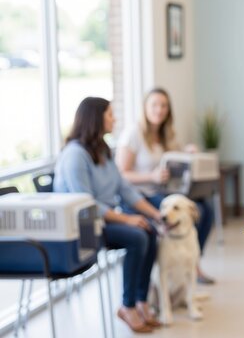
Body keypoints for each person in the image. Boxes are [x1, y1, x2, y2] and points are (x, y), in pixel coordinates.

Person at [54, 97, 163, 333]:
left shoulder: (102, 149)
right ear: (96, 118)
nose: (114, 119)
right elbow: (86, 204)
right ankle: (128, 306)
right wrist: (127, 218)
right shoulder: (75, 155)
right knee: (138, 237)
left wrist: (156, 214)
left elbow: (124, 188)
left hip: (103, 219)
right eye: (110, 114)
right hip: (83, 226)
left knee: (149, 230)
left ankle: (142, 301)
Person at [115, 87, 215, 284]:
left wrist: (188, 152)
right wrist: (150, 177)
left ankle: (193, 263)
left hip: (164, 193)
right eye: (154, 105)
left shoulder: (167, 134)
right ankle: (184, 268)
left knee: (206, 210)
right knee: (190, 213)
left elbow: (175, 160)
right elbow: (121, 174)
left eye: (163, 106)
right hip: (141, 195)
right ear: (145, 107)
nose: (159, 110)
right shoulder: (133, 134)